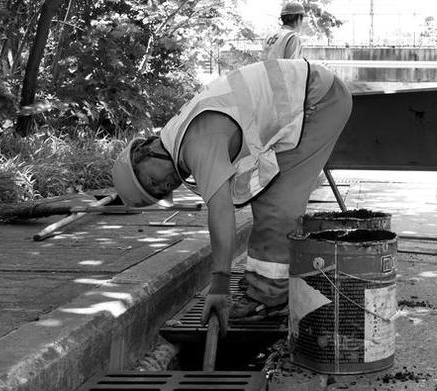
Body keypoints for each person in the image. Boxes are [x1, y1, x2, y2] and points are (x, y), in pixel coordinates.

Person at [111, 59, 352, 336]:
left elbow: (221, 211)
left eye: (153, 180)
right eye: (160, 191)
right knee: (269, 200)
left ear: (144, 151)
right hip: (311, 95)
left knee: (278, 207)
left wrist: (220, 284)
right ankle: (268, 285)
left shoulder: (197, 142)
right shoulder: (178, 136)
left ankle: (269, 299)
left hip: (319, 101)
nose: (166, 184)